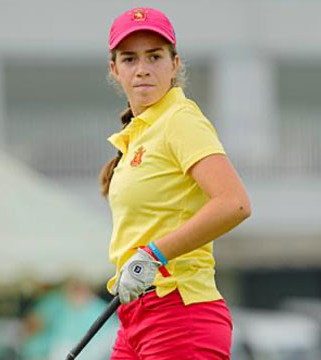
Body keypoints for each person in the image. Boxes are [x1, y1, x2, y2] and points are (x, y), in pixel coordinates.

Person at [100, 7, 251, 360]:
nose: (142, 69)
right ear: (115, 69)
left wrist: (156, 254)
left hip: (181, 312)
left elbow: (234, 203)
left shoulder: (180, 120)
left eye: (154, 56)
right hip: (136, 315)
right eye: (129, 58)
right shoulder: (137, 134)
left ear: (175, 63)